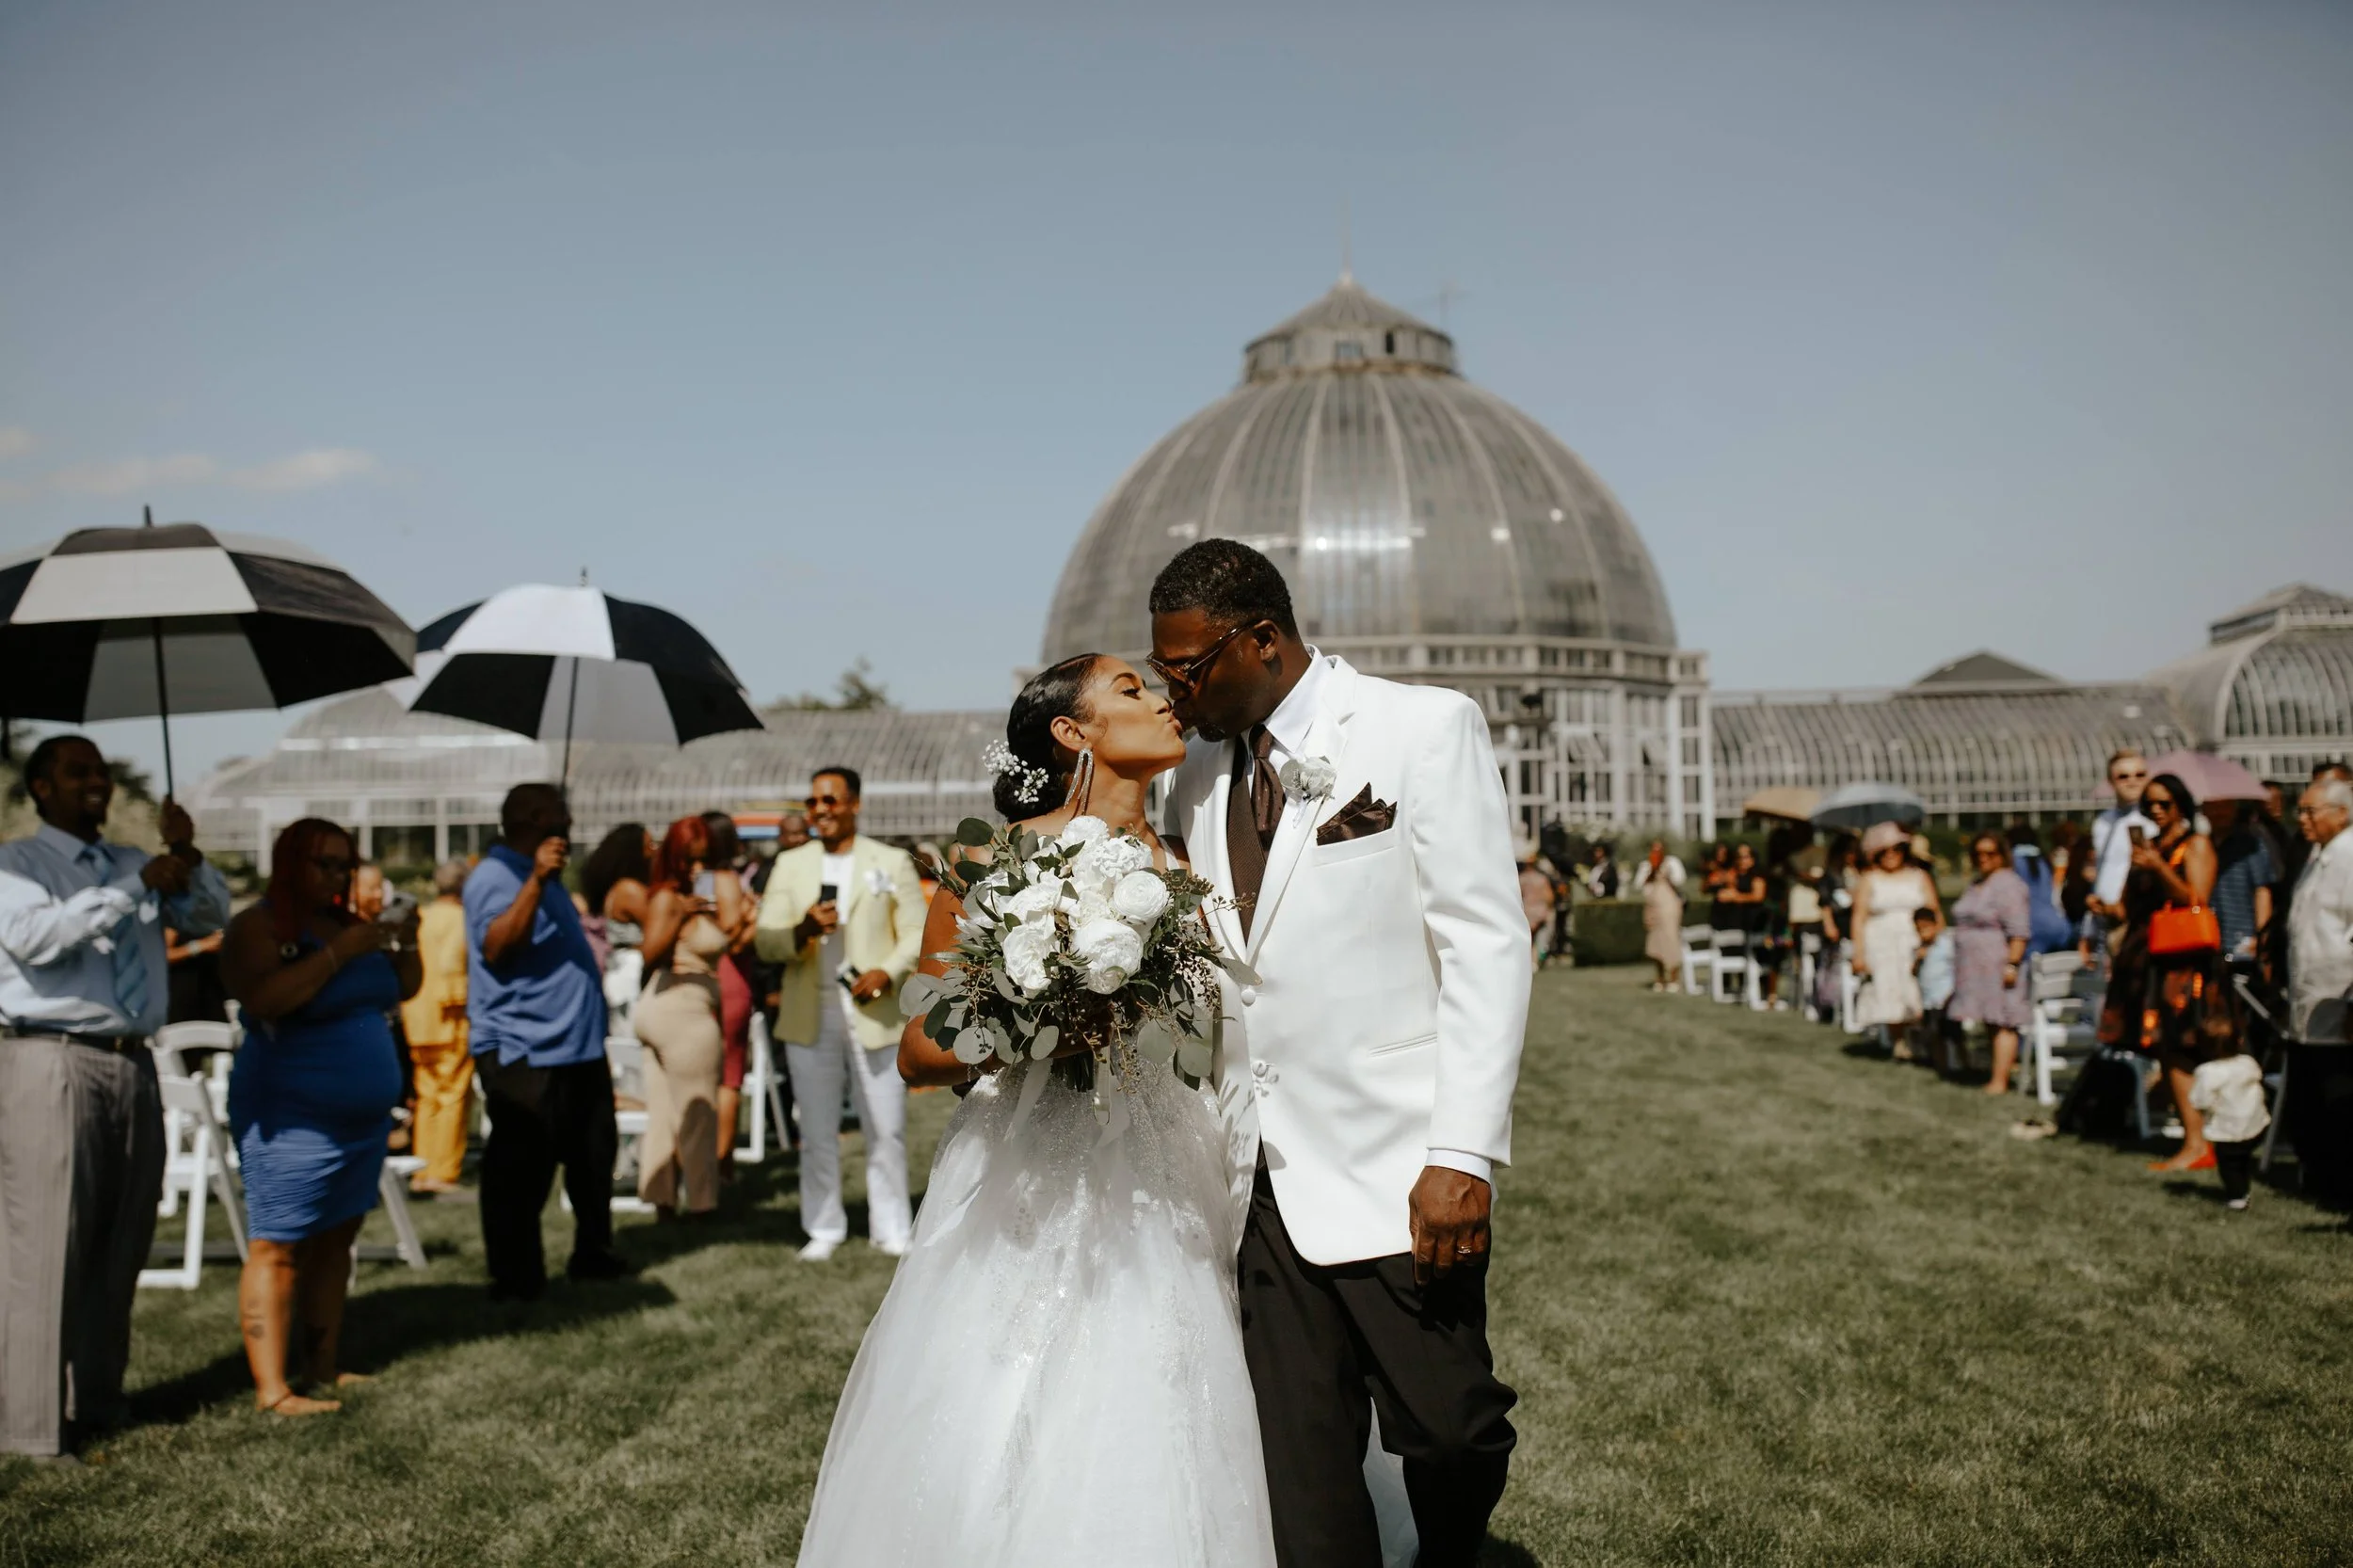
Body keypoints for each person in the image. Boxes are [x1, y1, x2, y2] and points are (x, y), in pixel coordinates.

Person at [794, 652, 1279, 1565]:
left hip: (1173, 1179)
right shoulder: (995, 857)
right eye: (1129, 689)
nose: (1161, 698)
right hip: (1031, 1183)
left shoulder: (1193, 864)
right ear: (1072, 731)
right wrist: (1045, 1017)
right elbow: (920, 1050)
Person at [1153, 540, 1526, 1566]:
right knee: (1301, 1477)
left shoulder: (1421, 727)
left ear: (1261, 640)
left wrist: (1462, 1152)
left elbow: (1487, 947)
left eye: (1189, 668)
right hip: (1261, 1182)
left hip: (1403, 1169)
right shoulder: (1191, 783)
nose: (1174, 693)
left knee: (1452, 1431)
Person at [0, 735, 230, 1459]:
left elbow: (207, 920)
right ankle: (31, 1428)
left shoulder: (138, 862)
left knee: (119, 1241)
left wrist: (186, 861)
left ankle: (97, 1401)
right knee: (48, 1248)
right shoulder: (16, 864)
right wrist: (135, 889)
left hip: (134, 1062)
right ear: (41, 787)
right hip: (50, 1057)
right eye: (78, 771)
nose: (96, 781)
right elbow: (39, 938)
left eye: (101, 769)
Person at [219, 818, 421, 1416]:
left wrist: (405, 941)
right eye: (322, 863)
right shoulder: (258, 927)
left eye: (344, 864)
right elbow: (264, 1000)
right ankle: (272, 1390)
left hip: (359, 1120)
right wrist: (338, 955)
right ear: (289, 864)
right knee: (277, 1243)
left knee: (338, 1239)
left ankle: (323, 1367)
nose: (337, 875)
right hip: (291, 1114)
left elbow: (402, 988)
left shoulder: (350, 925)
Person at [466, 783, 631, 1301]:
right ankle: (516, 1276)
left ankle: (592, 1251)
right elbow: (497, 946)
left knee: (592, 1155)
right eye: (560, 814)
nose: (569, 822)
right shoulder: (494, 876)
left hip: (576, 1047)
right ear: (531, 818)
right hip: (524, 1048)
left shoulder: (550, 875)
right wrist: (536, 879)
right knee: (521, 1168)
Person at [754, 767, 926, 1261]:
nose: (820, 811)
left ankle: (891, 1225)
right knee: (816, 1127)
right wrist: (802, 931)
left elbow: (915, 933)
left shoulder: (890, 861)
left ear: (854, 804)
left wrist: (886, 972)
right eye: (813, 803)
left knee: (886, 1127)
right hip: (812, 1011)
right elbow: (765, 940)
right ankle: (823, 1226)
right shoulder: (789, 863)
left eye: (830, 801)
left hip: (874, 1010)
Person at [2096, 773, 2236, 1174]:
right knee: (2163, 1047)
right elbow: (2127, 907)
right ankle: (2195, 1139)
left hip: (2183, 960)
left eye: (2164, 804)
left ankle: (2197, 1143)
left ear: (2181, 805)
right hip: (2147, 958)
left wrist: (2158, 867)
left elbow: (2196, 899)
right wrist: (2104, 907)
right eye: (2150, 805)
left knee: (2180, 1046)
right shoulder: (2149, 847)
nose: (2156, 811)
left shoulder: (2195, 845)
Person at [632, 816, 727, 1218]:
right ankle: (703, 1205)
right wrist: (679, 915)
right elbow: (649, 952)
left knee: (665, 1112)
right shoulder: (668, 898)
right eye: (690, 861)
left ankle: (661, 1200)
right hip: (680, 1011)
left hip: (666, 1010)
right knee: (698, 1111)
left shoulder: (692, 895)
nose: (697, 870)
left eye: (703, 861)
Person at [2282, 774, 2353, 1203]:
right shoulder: (2317, 856)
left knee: (2339, 1098)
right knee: (2309, 1101)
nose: (2302, 819)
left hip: (2338, 996)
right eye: (2301, 811)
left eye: (2312, 811)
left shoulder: (2349, 858)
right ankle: (2322, 1180)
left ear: (2342, 814)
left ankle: (2342, 1186)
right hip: (2307, 999)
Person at [399, 859, 473, 1193]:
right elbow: (453, 963)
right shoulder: (462, 920)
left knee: (427, 1096)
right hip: (450, 1017)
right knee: (453, 1095)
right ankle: (442, 1172)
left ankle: (421, 1169)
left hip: (418, 1018)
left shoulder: (423, 919)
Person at [696, 810, 759, 1180]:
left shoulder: (693, 881)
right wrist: (753, 916)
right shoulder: (725, 879)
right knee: (729, 1076)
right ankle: (722, 1166)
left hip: (696, 978)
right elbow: (732, 939)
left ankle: (698, 1161)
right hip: (730, 979)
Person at [1951, 832, 2033, 1094]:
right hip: (1975, 968)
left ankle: (2000, 1080)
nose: (1983, 859)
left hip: (1999, 963)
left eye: (1990, 854)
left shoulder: (2007, 884)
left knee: (2003, 1020)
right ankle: (1994, 1073)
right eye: (1978, 854)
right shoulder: (1978, 883)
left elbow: (2019, 930)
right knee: (1989, 1019)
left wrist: (2012, 964)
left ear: (2002, 855)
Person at [1851, 821, 1941, 1051]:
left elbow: (1934, 910)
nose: (1891, 855)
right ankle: (1898, 1041)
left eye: (1896, 849)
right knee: (1889, 987)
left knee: (1916, 988)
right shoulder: (1869, 879)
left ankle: (1921, 1036)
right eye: (1885, 851)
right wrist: (1858, 953)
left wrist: (1933, 940)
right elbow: (1859, 917)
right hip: (1881, 941)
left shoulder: (1919, 876)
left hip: (1913, 937)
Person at [2083, 749, 2153, 962]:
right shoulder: (2103, 822)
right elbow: (2103, 873)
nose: (2132, 782)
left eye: (2140, 775)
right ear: (2111, 781)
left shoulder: (2153, 821)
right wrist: (2089, 929)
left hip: (2136, 921)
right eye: (2123, 776)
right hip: (2105, 920)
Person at [2207, 797, 2279, 964]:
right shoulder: (2202, 845)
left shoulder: (2251, 845)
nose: (2219, 812)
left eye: (2224, 806)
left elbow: (2262, 890)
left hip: (2242, 940)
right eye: (2214, 807)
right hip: (2209, 940)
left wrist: (2261, 937)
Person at [578, 824, 653, 977]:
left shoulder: (617, 889)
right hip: (632, 978)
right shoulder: (630, 890)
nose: (654, 850)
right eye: (649, 845)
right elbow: (659, 925)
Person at [1632, 839, 1686, 990]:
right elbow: (1639, 885)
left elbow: (1679, 881)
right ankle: (1660, 977)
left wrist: (1665, 872)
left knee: (1671, 939)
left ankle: (1674, 978)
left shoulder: (1672, 863)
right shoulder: (1646, 866)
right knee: (1655, 942)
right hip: (1653, 906)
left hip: (1669, 906)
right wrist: (1651, 871)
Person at [1517, 847, 1556, 968]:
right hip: (1541, 911)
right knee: (1541, 939)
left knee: (1529, 939)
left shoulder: (1521, 879)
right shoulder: (1542, 878)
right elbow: (1549, 896)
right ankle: (1537, 960)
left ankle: (1530, 961)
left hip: (1528, 911)